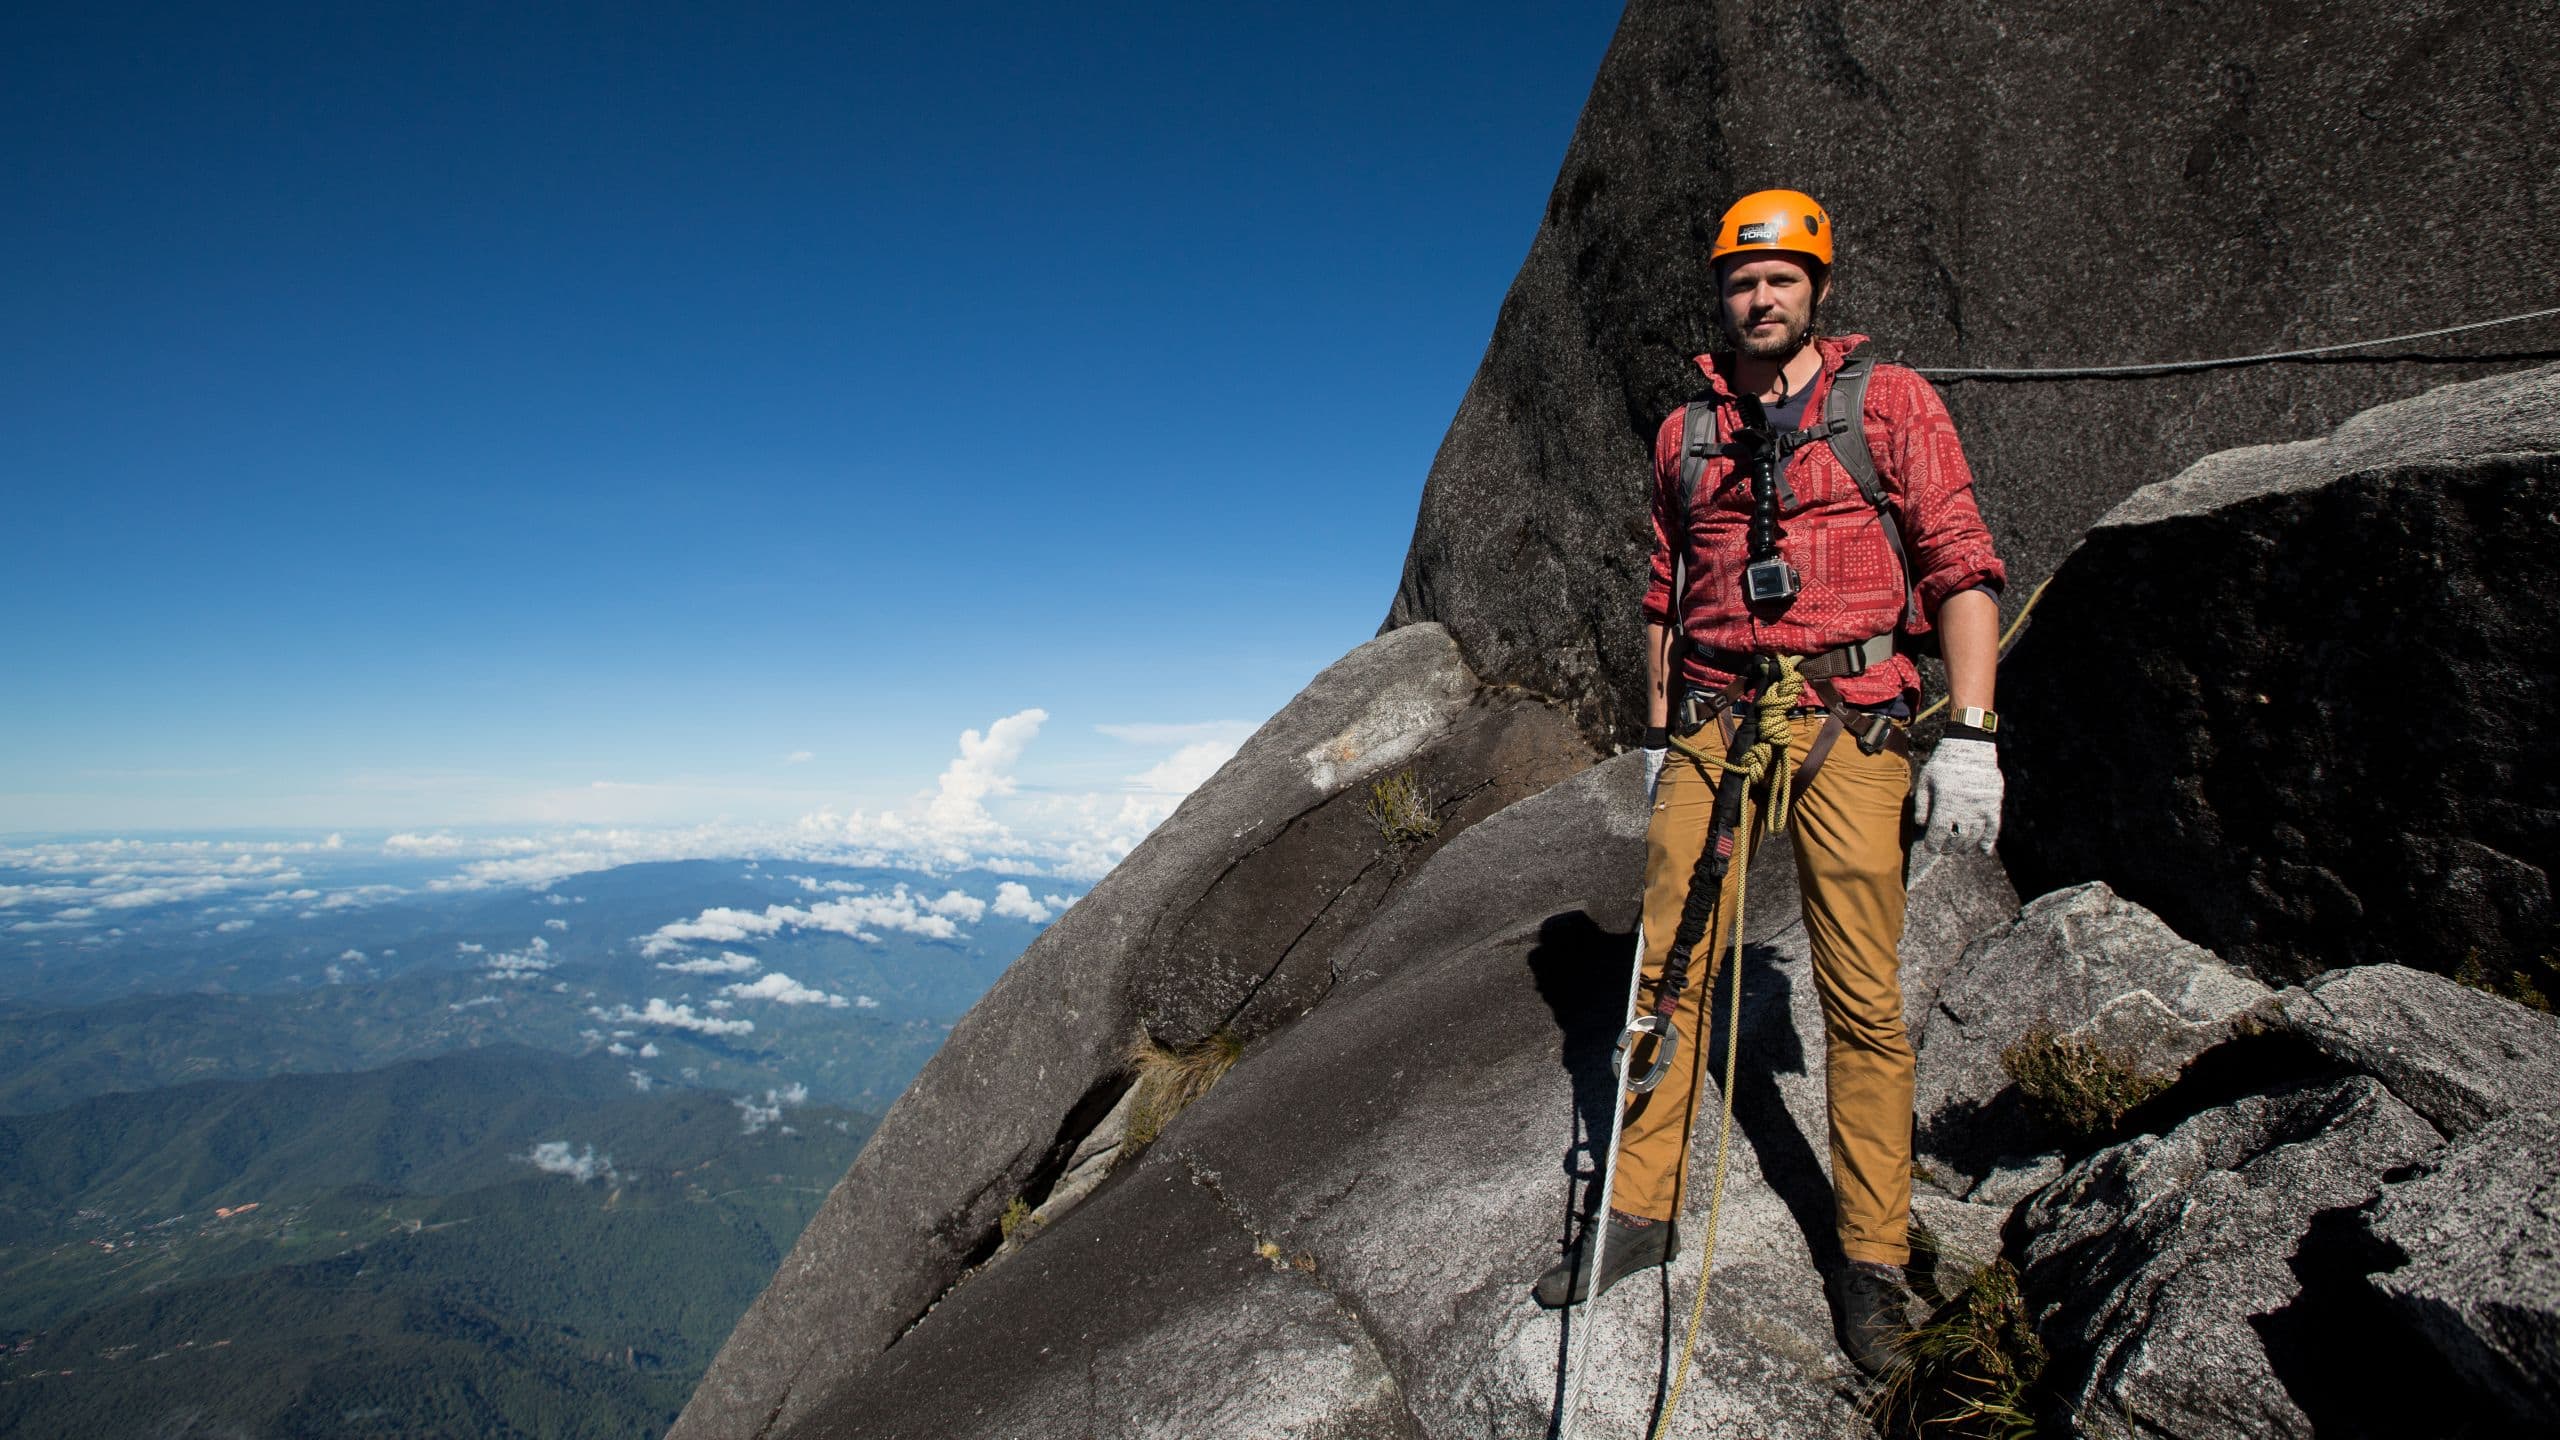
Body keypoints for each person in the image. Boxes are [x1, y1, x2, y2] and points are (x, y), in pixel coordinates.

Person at [1533, 188, 2008, 1377]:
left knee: (1861, 997)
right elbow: (1663, 592)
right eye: (1743, 281)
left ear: (1819, 287)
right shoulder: (1681, 433)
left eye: (1782, 278)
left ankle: (1873, 1260)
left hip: (1850, 719)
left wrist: (1972, 732)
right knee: (1668, 974)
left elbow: (1958, 560)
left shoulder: (1887, 405)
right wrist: (1655, 737)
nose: (1761, 296)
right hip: (1712, 722)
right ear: (1722, 294)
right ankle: (1636, 1216)